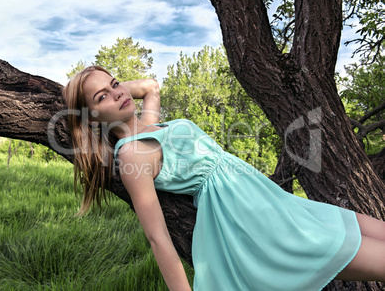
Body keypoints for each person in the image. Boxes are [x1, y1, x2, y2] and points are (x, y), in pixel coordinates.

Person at [62, 65, 385, 291]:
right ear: (90, 118)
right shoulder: (132, 154)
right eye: (101, 97)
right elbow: (157, 237)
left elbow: (150, 86)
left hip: (280, 205)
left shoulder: (152, 124)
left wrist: (107, 90)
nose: (117, 94)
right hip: (259, 223)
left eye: (115, 83)